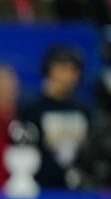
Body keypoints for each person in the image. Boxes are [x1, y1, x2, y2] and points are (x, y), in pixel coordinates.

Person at [14, 44, 91, 189]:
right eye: (62, 69)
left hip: (79, 190)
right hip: (41, 188)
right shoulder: (31, 109)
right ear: (49, 71)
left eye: (73, 71)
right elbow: (21, 150)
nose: (68, 76)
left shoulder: (84, 110)